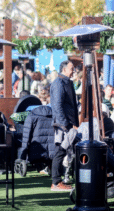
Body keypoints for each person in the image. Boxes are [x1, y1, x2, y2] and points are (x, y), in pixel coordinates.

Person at [50, 60, 78, 191]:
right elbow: (57, 106)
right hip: (63, 124)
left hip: (66, 123)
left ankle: (58, 181)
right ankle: (56, 183)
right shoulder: (59, 83)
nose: (74, 71)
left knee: (62, 151)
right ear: (64, 69)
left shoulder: (64, 82)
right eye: (72, 68)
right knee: (60, 151)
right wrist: (65, 124)